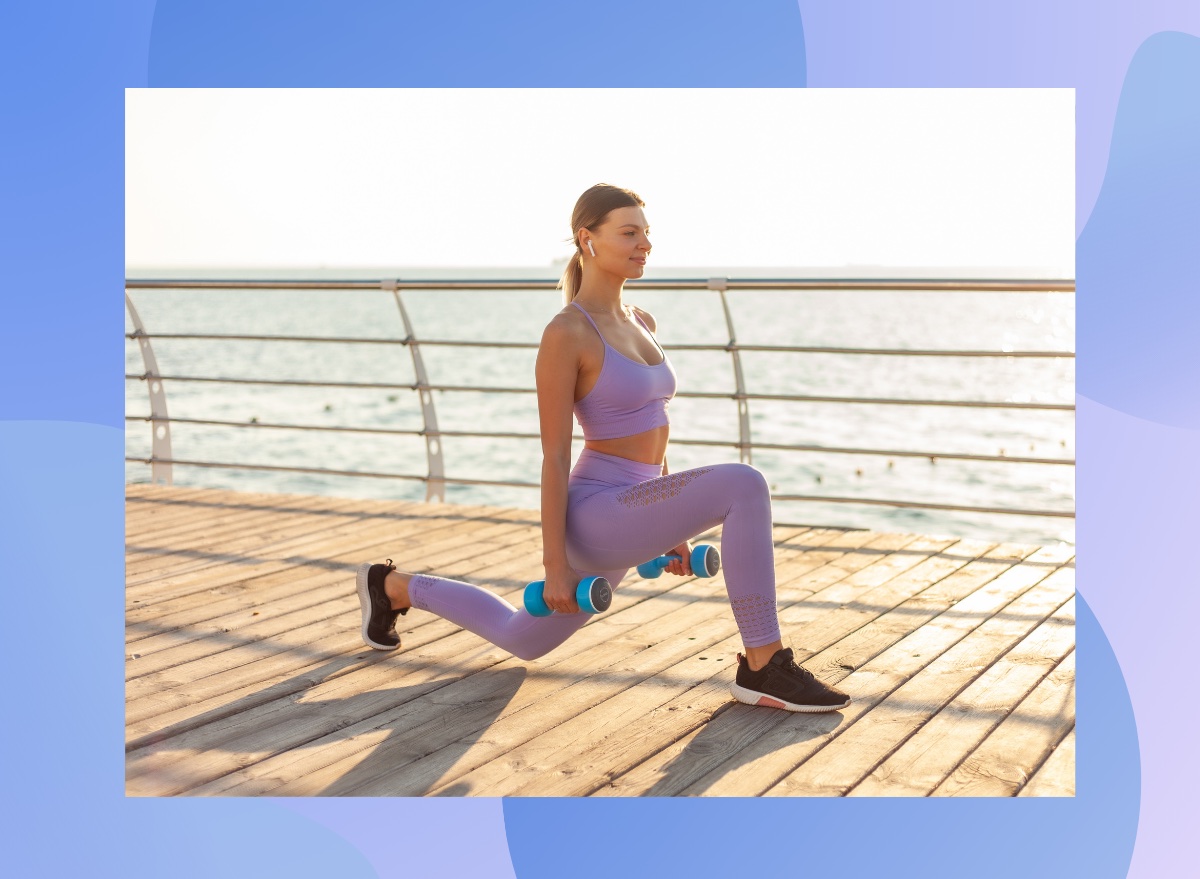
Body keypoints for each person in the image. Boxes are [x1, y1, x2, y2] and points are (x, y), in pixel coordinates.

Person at [355, 183, 849, 713]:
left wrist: (676, 527)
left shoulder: (641, 321)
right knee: (744, 484)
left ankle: (393, 587)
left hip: (637, 505)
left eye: (647, 233)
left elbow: (654, 425)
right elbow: (553, 458)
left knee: (523, 639)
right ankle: (762, 664)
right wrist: (554, 567)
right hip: (596, 511)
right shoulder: (566, 332)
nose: (644, 244)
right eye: (629, 233)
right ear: (587, 239)